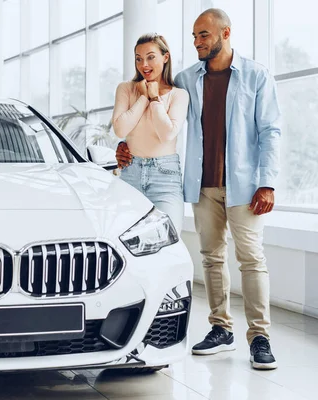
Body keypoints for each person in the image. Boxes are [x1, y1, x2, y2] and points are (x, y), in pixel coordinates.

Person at [115, 8, 281, 370]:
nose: (196, 42)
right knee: (211, 257)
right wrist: (128, 145)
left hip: (246, 185)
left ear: (225, 33)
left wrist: (267, 182)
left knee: (251, 259)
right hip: (202, 184)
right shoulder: (189, 78)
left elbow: (270, 131)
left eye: (203, 35)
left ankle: (260, 337)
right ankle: (221, 328)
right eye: (193, 36)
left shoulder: (256, 76)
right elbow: (159, 114)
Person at [111, 33, 189, 233]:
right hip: (130, 174)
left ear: (165, 57)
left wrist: (154, 97)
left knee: (168, 240)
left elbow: (167, 134)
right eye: (138, 58)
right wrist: (143, 97)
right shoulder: (126, 89)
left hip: (165, 178)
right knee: (126, 242)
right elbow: (120, 128)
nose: (144, 64)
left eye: (150, 57)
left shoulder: (179, 94)